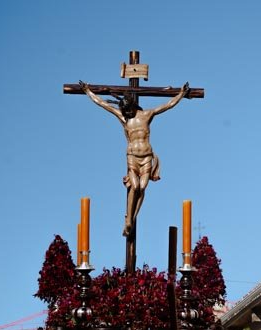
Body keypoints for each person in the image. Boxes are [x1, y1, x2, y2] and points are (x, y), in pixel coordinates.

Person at [79, 80, 190, 237]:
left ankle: (131, 218)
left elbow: (167, 105)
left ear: (132, 105)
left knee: (142, 187)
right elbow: (103, 104)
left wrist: (181, 94)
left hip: (146, 157)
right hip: (132, 157)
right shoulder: (124, 118)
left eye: (127, 110)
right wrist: (88, 92)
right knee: (135, 186)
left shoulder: (146, 115)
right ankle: (129, 219)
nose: (125, 113)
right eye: (124, 111)